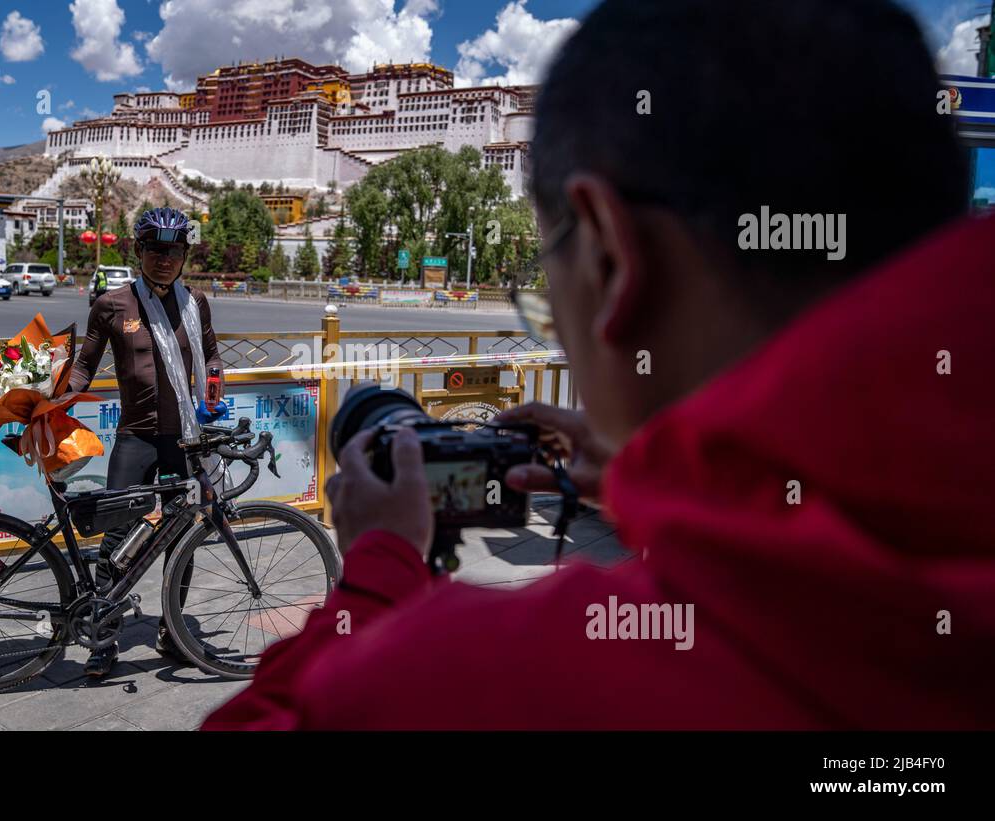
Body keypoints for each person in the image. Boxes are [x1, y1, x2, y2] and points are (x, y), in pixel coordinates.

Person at [203, 0, 995, 729]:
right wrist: (668, 471)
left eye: (550, 275)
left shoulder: (490, 678)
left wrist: (378, 567)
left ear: (613, 255)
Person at [67, 206, 223, 677]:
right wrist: (50, 403)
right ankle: (103, 637)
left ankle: (173, 632)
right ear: (138, 251)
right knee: (114, 537)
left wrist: (214, 391)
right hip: (136, 438)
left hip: (186, 441)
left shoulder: (196, 303)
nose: (164, 258)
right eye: (155, 248)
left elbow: (211, 356)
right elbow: (83, 367)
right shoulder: (112, 305)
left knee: (183, 538)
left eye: (174, 250)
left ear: (184, 255)